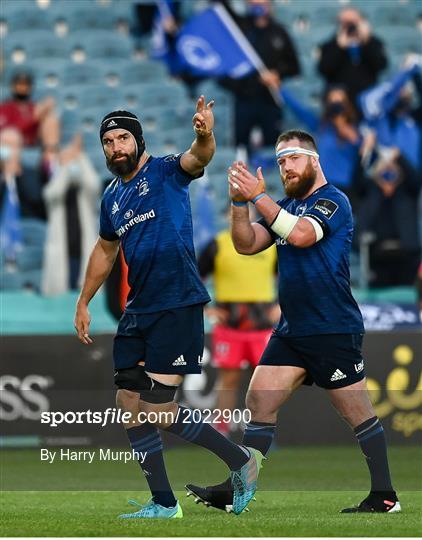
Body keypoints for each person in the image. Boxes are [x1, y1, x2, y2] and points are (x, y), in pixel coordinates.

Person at [186, 129, 400, 514]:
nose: (285, 166)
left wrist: (258, 196)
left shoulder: (333, 201)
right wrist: (239, 204)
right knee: (258, 400)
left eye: (292, 158)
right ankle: (239, 489)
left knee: (357, 413)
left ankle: (384, 496)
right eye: (280, 161)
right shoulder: (284, 205)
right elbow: (246, 244)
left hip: (332, 327)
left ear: (313, 160)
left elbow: (301, 235)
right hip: (293, 330)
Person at [74, 96, 262, 519]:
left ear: (139, 141)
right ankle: (163, 503)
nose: (115, 147)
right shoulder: (111, 198)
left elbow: (199, 157)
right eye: (107, 141)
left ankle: (240, 461)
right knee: (127, 402)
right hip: (138, 309)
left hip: (178, 302)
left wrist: (205, 134)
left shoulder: (164, 171)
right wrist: (83, 300)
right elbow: (105, 251)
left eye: (123, 138)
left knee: (157, 411)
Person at [198, 208, 278, 438]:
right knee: (228, 379)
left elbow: (289, 276)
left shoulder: (269, 245)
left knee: (263, 381)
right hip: (230, 325)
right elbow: (194, 277)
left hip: (262, 323)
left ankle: (262, 431)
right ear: (227, 217)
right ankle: (221, 431)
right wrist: (207, 308)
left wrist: (281, 306)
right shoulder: (217, 244)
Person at [217, 0, 300, 151]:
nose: (259, 7)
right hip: (244, 98)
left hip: (270, 99)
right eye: (254, 3)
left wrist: (277, 74)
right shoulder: (239, 31)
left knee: (274, 145)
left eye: (263, 3)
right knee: (241, 147)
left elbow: (294, 66)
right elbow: (226, 70)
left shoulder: (279, 32)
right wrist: (248, 82)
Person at [280, 84, 362, 203]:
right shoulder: (322, 126)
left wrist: (350, 134)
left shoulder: (355, 130)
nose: (337, 108)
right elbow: (299, 110)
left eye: (340, 103)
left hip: (342, 189)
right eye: (333, 103)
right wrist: (279, 88)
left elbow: (366, 154)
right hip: (319, 185)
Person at [317, 7, 388, 106]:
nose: (350, 27)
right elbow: (323, 69)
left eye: (353, 22)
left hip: (367, 99)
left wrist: (367, 41)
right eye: (345, 23)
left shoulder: (373, 43)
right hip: (341, 102)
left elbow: (381, 65)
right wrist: (339, 47)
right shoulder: (330, 45)